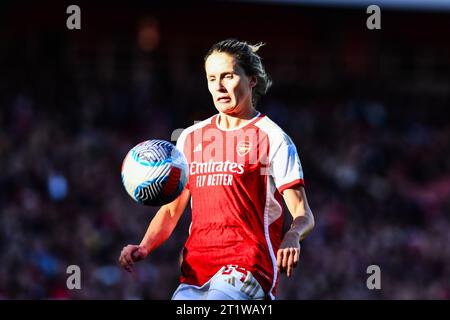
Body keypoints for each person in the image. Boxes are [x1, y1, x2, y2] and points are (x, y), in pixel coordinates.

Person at [118, 39, 315, 300]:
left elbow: (304, 214)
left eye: (228, 76)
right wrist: (145, 246)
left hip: (248, 268)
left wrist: (292, 236)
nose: (219, 86)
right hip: (196, 271)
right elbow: (171, 209)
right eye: (212, 78)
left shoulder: (273, 137)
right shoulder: (190, 137)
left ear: (252, 80)